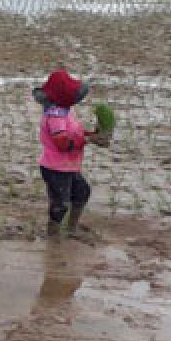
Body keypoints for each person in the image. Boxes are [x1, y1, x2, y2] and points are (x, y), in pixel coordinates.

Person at [33, 68, 102, 238]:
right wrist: (88, 140)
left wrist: (92, 134)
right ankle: (53, 232)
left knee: (82, 191)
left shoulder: (65, 111)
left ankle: (71, 227)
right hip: (55, 169)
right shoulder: (55, 117)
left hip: (67, 167)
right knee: (61, 203)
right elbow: (62, 143)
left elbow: (74, 134)